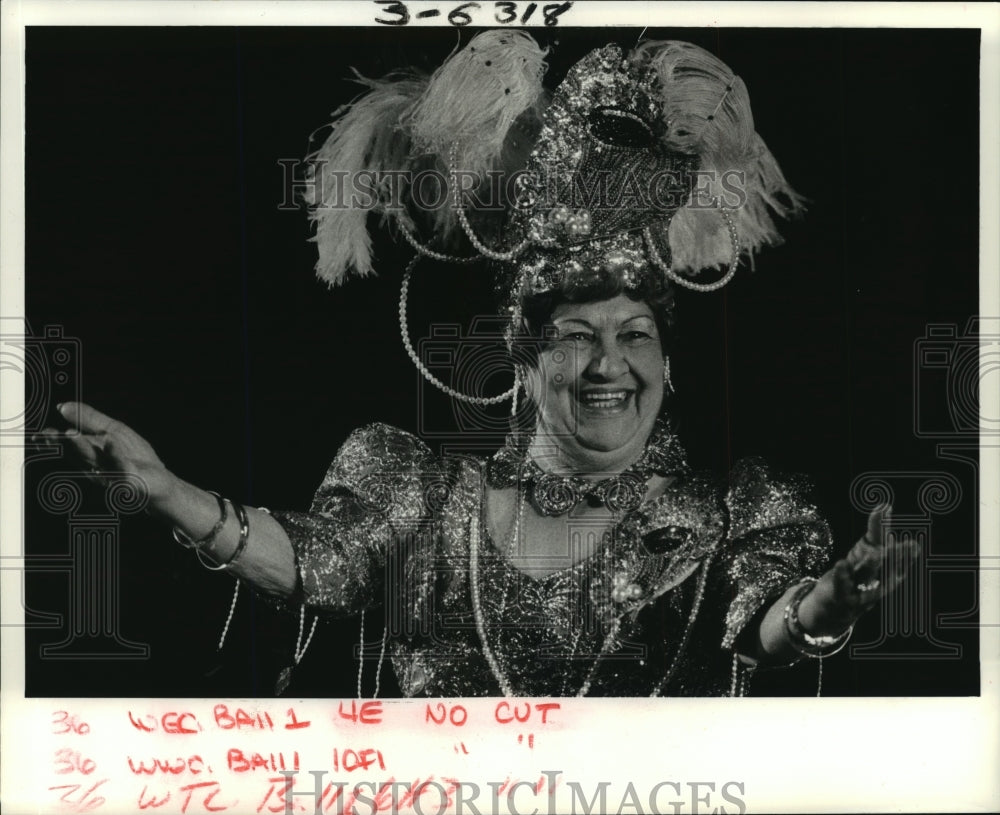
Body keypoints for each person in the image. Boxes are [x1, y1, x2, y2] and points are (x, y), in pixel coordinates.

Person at [34, 32, 918, 697]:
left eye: (637, 334)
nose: (611, 361)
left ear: (668, 362)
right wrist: (165, 492)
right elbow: (317, 564)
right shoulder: (422, 492)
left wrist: (826, 605)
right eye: (578, 332)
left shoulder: (733, 513)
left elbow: (766, 622)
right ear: (526, 354)